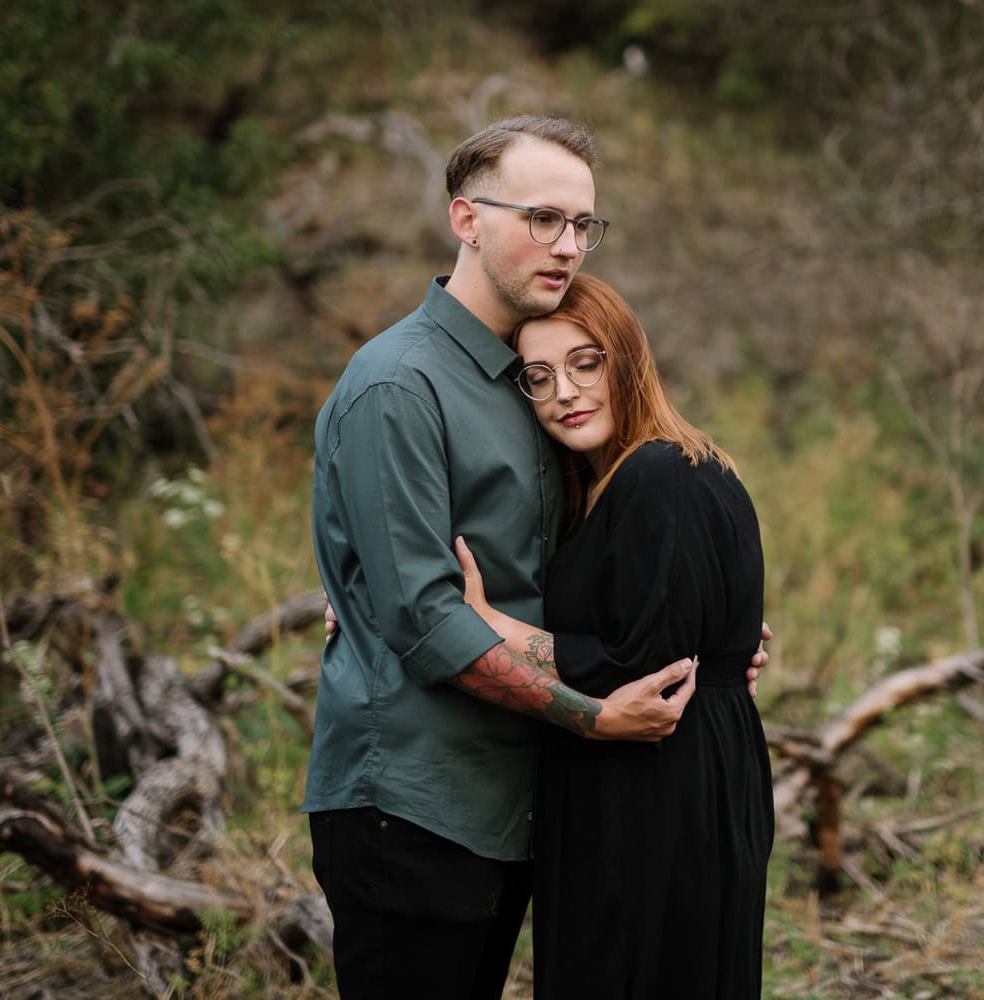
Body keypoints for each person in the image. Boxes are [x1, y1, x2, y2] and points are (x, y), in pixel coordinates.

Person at [301, 116, 766, 1000]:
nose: (568, 246)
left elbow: (552, 562)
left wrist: (701, 634)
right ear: (466, 219)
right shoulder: (399, 382)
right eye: (542, 219)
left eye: (584, 225)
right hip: (415, 802)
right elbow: (424, 616)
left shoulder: (524, 374)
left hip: (519, 802)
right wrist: (592, 714)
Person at [455, 273, 775, 999]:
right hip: (650, 772)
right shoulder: (610, 480)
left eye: (585, 363)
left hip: (661, 785)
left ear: (627, 360)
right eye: (539, 377)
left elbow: (642, 663)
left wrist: (491, 627)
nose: (564, 391)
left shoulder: (660, 472)